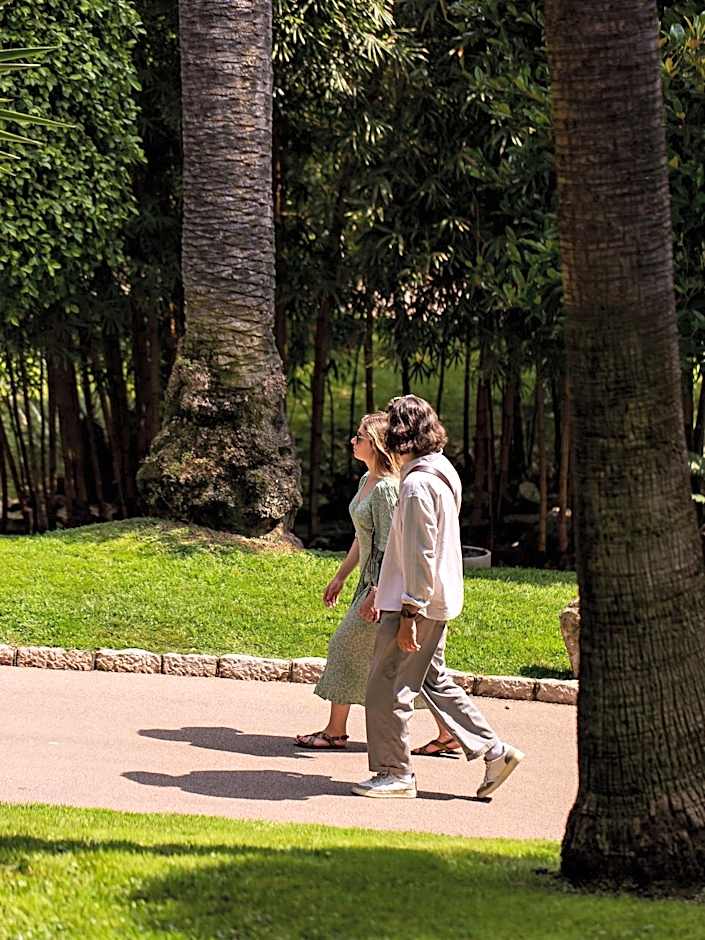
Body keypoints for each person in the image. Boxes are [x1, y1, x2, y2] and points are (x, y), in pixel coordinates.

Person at [352, 395, 525, 798]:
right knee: (432, 679)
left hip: (416, 603)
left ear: (398, 434)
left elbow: (420, 553)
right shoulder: (442, 469)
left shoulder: (415, 485)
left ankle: (394, 773)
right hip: (437, 597)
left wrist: (409, 612)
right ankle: (495, 752)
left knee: (386, 689)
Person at [295, 412, 399, 749]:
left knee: (343, 645)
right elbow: (362, 536)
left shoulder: (386, 489)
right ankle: (449, 731)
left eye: (359, 438)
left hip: (381, 587)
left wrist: (377, 592)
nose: (352, 441)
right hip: (366, 583)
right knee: (408, 665)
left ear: (376, 444)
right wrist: (341, 575)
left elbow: (389, 546)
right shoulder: (367, 480)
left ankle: (334, 731)